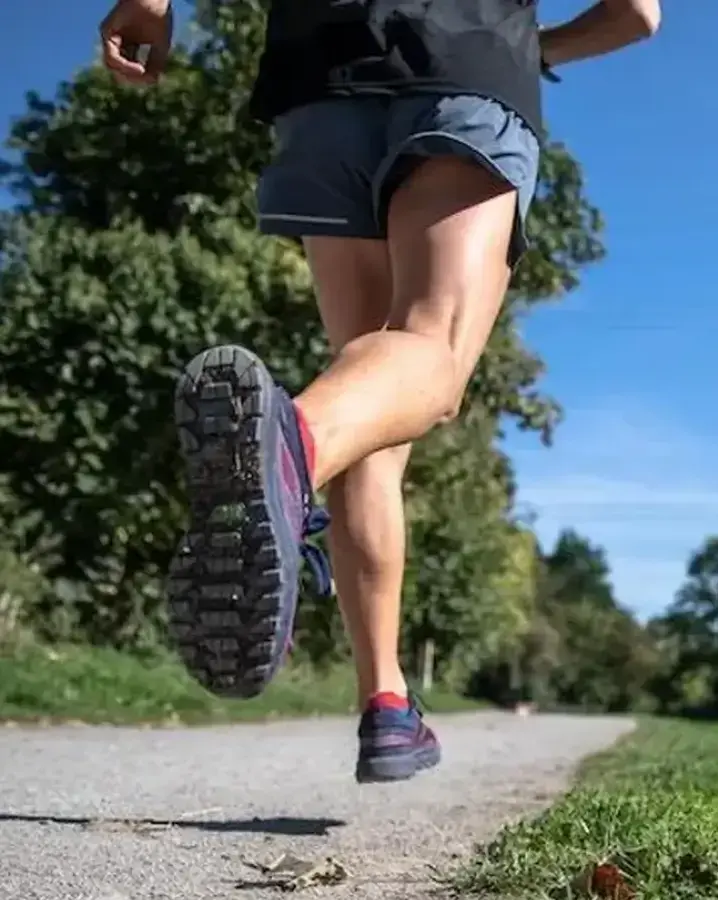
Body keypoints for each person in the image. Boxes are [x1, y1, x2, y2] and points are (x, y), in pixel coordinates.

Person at [99, 0, 661, 783]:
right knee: (429, 351)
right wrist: (539, 47)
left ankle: (387, 701)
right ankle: (290, 451)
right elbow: (638, 12)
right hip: (466, 59)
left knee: (368, 399)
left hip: (320, 73)